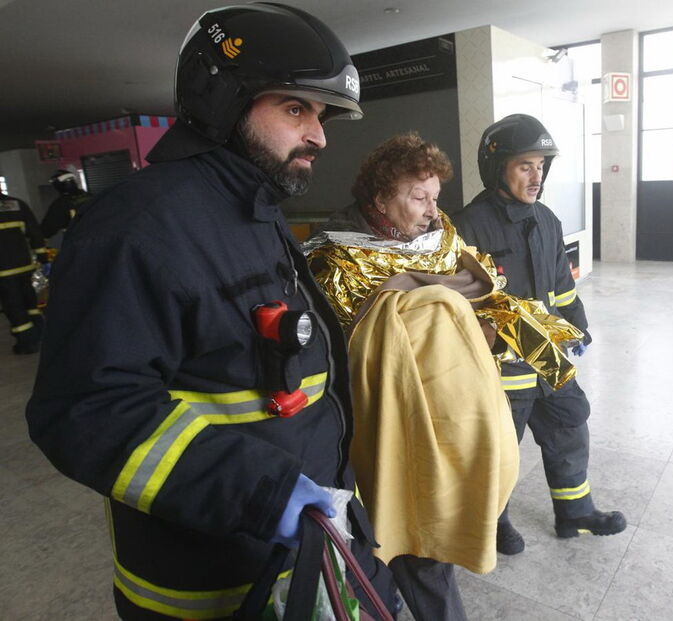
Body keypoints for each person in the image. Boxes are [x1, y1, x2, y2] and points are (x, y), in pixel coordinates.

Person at [26, 5, 395, 620]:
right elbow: (85, 410)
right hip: (201, 588)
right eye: (296, 108)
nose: (320, 135)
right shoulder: (136, 227)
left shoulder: (252, 208)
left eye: (322, 114)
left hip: (288, 556)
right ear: (222, 99)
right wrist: (264, 492)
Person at [308, 133, 525, 621]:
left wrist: (479, 325)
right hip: (387, 412)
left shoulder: (438, 231)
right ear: (381, 197)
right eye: (418, 197)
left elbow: (477, 285)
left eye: (435, 197)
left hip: (454, 399)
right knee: (412, 528)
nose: (431, 211)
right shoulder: (335, 253)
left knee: (447, 503)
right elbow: (345, 340)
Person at [452, 114, 626, 555]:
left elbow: (562, 287)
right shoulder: (468, 227)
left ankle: (575, 513)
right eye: (525, 165)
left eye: (542, 165)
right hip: (501, 368)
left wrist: (578, 329)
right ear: (497, 168)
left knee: (570, 427)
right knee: (498, 450)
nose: (537, 175)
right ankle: (492, 523)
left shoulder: (546, 219)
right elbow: (459, 306)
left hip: (549, 359)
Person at [0, 190, 48, 354]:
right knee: (30, 302)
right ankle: (41, 333)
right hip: (25, 265)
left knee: (13, 305)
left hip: (3, 271)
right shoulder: (17, 203)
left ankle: (27, 342)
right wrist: (42, 256)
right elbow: (34, 231)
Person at [42, 169, 92, 239]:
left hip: (81, 240)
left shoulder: (61, 203)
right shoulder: (91, 196)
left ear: (58, 186)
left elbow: (48, 228)